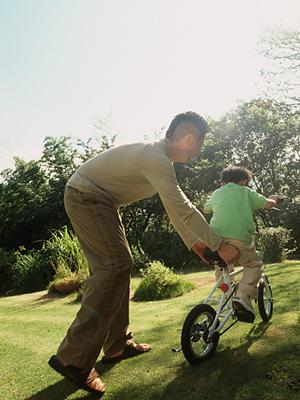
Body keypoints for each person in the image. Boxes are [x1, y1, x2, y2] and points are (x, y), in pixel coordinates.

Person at [48, 111, 239, 396]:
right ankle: (73, 359)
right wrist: (218, 243)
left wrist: (196, 244)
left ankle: (117, 345)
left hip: (100, 200)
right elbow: (184, 207)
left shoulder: (159, 160)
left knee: (118, 266)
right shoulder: (156, 158)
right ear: (189, 139)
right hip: (87, 195)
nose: (198, 151)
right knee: (115, 265)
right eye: (199, 144)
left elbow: (174, 208)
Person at [203, 165, 279, 323]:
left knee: (223, 268)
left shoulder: (217, 192)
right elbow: (269, 204)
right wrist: (274, 197)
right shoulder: (246, 191)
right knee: (253, 264)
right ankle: (242, 296)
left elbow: (206, 210)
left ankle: (227, 298)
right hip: (240, 238)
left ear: (223, 181)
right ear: (244, 180)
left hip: (216, 241)